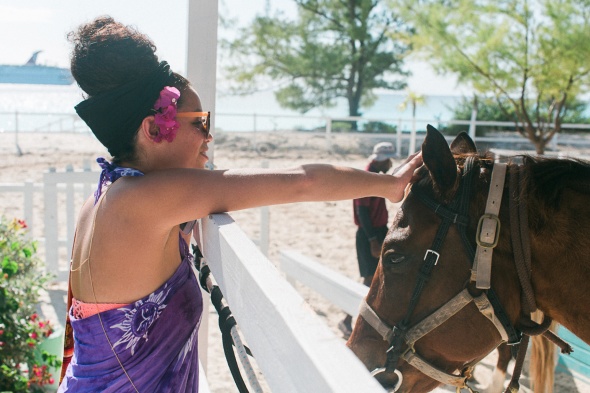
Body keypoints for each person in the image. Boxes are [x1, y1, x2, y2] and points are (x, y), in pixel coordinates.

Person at [58, 16, 422, 393]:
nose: (209, 136)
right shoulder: (147, 201)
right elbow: (302, 181)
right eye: (200, 122)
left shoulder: (107, 196)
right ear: (153, 129)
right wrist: (390, 186)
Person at [338, 142, 396, 339]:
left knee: (379, 276)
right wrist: (373, 240)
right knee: (369, 279)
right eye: (388, 160)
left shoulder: (375, 175)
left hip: (379, 231)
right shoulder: (365, 177)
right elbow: (362, 212)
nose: (390, 164)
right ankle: (346, 319)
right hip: (368, 233)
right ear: (382, 160)